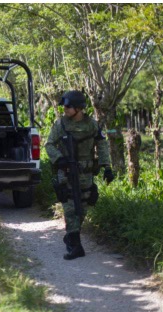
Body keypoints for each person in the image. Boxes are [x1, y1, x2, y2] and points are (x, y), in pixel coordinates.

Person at [44, 90, 115, 260]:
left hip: (86, 173)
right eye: (64, 106)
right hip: (67, 171)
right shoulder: (60, 124)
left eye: (68, 106)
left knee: (83, 207)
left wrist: (107, 167)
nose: (65, 109)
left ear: (79, 108)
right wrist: (59, 159)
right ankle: (76, 245)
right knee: (70, 207)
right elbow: (49, 145)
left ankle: (71, 236)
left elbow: (102, 145)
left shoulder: (91, 125)